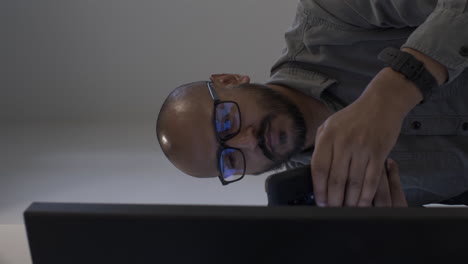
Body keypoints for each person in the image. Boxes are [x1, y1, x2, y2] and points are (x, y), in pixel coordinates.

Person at [156, 0, 468, 207]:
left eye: (225, 122)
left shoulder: (329, 13)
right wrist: (409, 238)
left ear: (230, 79)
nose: (248, 142)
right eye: (230, 160)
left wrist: (391, 94)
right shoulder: (334, 199)